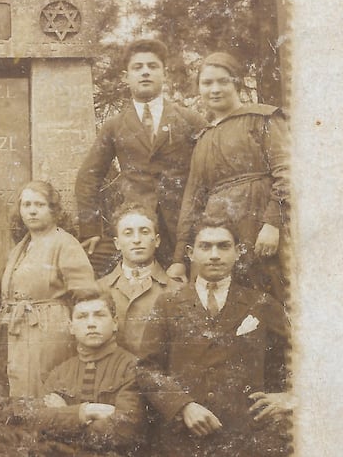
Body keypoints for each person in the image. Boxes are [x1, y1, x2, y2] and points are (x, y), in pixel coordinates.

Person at [137, 218, 293, 457]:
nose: (214, 255)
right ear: (190, 253)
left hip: (246, 440)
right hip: (183, 442)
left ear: (239, 252)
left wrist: (290, 397)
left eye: (223, 246)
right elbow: (146, 369)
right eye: (205, 246)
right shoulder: (168, 304)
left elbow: (306, 352)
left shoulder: (260, 304)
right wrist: (183, 406)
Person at [75, 39, 206, 278]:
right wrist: (91, 229)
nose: (145, 71)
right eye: (138, 67)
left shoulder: (190, 120)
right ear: (126, 77)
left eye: (152, 66)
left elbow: (211, 168)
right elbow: (88, 177)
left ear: (164, 74)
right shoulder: (115, 126)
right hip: (137, 226)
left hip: (183, 225)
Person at [174, 51, 290, 302]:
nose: (214, 89)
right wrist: (178, 259)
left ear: (236, 82)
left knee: (273, 299)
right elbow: (191, 201)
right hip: (221, 236)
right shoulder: (203, 138)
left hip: (260, 226)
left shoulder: (262, 118)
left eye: (222, 81)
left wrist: (272, 223)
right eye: (207, 83)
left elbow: (286, 172)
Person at [0, 180, 97, 398]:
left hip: (50, 331)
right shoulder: (20, 247)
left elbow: (87, 294)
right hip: (19, 330)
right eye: (26, 205)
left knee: (44, 390)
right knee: (20, 388)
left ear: (53, 210)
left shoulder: (64, 243)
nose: (32, 211)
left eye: (39, 205)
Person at [30, 289, 145, 456]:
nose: (91, 323)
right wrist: (86, 411)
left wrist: (66, 414)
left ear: (115, 323)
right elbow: (39, 424)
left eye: (99, 315)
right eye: (82, 316)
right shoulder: (60, 373)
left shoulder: (132, 367)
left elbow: (124, 430)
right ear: (71, 327)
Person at [98, 203, 182, 355]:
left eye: (144, 232)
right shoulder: (99, 289)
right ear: (117, 243)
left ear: (156, 241)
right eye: (128, 233)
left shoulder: (177, 290)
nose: (137, 240)